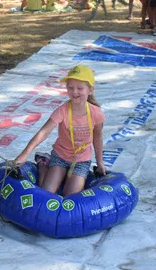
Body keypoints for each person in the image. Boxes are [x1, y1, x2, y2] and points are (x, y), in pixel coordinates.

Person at [14, 65, 106, 196]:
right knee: (46, 193)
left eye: (80, 88)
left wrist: (100, 161)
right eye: (70, 87)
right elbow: (43, 132)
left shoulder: (96, 113)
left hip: (81, 161)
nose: (74, 92)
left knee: (70, 197)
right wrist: (24, 154)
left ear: (90, 90)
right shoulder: (62, 111)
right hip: (60, 156)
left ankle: (57, 172)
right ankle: (43, 164)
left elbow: (97, 137)